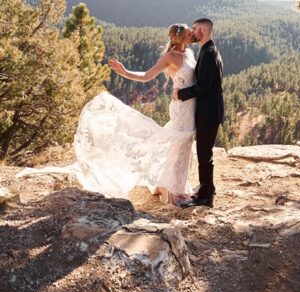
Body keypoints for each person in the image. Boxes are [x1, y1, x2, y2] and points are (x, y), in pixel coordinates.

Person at [18, 24, 197, 207]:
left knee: (183, 145)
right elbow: (146, 76)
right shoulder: (170, 57)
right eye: (190, 34)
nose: (193, 35)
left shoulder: (189, 53)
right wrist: (125, 72)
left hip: (190, 104)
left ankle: (166, 183)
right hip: (181, 108)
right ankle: (176, 192)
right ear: (182, 38)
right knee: (181, 143)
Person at [173, 18, 224, 208]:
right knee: (205, 153)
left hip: (209, 112)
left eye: (194, 29)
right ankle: (208, 189)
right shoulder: (209, 49)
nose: (192, 32)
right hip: (209, 110)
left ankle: (205, 197)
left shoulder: (209, 53)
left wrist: (181, 94)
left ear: (203, 29)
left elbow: (203, 86)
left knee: (204, 154)